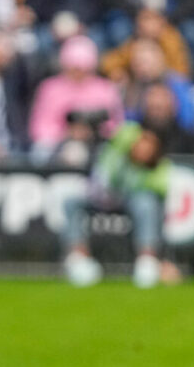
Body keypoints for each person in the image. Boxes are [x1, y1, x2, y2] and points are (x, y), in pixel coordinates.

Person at [62, 120, 172, 289]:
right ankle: (78, 259)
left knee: (146, 204)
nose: (144, 149)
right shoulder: (120, 146)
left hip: (130, 200)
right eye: (143, 142)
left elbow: (161, 188)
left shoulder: (159, 167)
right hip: (101, 194)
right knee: (71, 200)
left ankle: (147, 261)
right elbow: (120, 136)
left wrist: (139, 180)